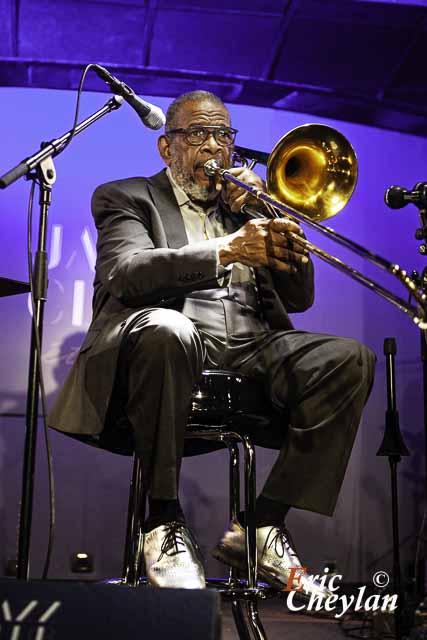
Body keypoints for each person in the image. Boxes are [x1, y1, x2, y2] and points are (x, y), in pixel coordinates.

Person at [48, 90, 376, 592]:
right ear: (167, 148)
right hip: (168, 344)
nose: (213, 147)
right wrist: (226, 249)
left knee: (348, 358)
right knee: (168, 328)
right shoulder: (127, 196)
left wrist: (273, 221)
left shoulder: (247, 208)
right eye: (197, 134)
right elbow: (125, 274)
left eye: (223, 135)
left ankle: (262, 525)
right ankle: (161, 522)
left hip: (251, 348)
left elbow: (300, 297)